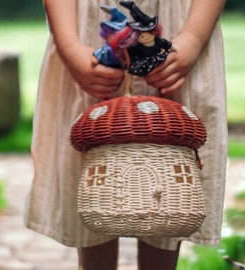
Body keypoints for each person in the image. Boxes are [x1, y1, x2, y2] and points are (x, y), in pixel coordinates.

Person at [24, 0, 227, 269]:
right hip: (85, 26)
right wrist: (70, 48)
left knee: (170, 172)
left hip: (181, 23)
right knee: (91, 172)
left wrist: (192, 38)